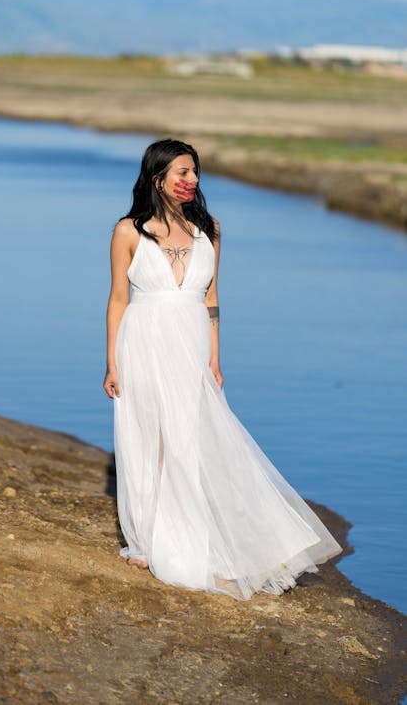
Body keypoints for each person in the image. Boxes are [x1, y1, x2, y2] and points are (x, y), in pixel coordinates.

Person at [103, 138, 342, 601]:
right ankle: (145, 540)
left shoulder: (209, 229)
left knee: (189, 438)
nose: (191, 181)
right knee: (146, 437)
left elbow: (211, 299)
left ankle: (188, 531)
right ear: (158, 179)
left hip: (191, 341)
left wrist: (215, 358)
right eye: (182, 173)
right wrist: (111, 361)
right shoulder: (128, 231)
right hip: (144, 340)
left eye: (194, 172)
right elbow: (117, 299)